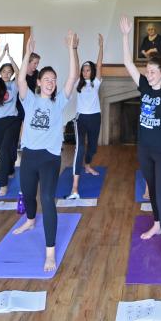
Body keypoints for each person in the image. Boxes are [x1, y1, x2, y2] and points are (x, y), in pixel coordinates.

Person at [121, 15, 161, 279]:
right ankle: (156, 224)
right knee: (153, 192)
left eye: (153, 70)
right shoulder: (144, 86)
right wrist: (125, 36)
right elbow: (127, 63)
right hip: (144, 149)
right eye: (148, 70)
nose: (148, 73)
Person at [12, 33, 75, 272]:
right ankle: (29, 221)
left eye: (53, 79)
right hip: (29, 156)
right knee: (28, 195)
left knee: (47, 199)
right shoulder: (29, 100)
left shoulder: (58, 102)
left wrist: (71, 48)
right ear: (38, 81)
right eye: (46, 78)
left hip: (50, 158)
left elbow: (73, 77)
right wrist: (27, 53)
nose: (50, 82)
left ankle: (50, 252)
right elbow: (20, 81)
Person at [68, 33, 104, 200]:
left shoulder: (95, 83)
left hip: (95, 117)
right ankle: (75, 187)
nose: (85, 71)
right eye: (83, 69)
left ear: (92, 71)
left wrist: (101, 47)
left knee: (93, 148)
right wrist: (74, 49)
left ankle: (87, 165)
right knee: (79, 149)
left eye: (88, 69)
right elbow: (75, 67)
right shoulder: (78, 83)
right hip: (81, 119)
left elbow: (99, 64)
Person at [0, 45, 22, 197]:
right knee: (1, 151)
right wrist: (2, 55)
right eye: (4, 71)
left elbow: (19, 73)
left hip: (12, 121)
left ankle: (3, 185)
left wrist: (11, 59)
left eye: (9, 72)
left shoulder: (14, 85)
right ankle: (9, 169)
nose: (6, 74)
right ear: (0, 73)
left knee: (4, 150)